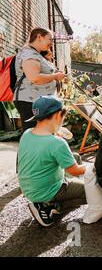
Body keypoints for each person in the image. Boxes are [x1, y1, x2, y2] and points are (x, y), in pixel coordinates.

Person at [17, 95, 87, 227]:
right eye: (63, 118)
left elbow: (44, 149)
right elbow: (75, 170)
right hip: (48, 190)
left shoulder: (27, 133)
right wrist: (96, 166)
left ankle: (45, 201)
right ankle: (48, 206)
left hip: (29, 188)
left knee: (75, 156)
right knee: (90, 192)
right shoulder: (57, 143)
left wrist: (55, 131)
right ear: (57, 115)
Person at [14, 28, 65, 131]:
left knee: (41, 133)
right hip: (30, 101)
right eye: (50, 39)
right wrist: (55, 76)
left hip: (36, 101)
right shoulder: (29, 54)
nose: (51, 43)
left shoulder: (35, 54)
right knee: (34, 135)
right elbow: (35, 78)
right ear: (39, 37)